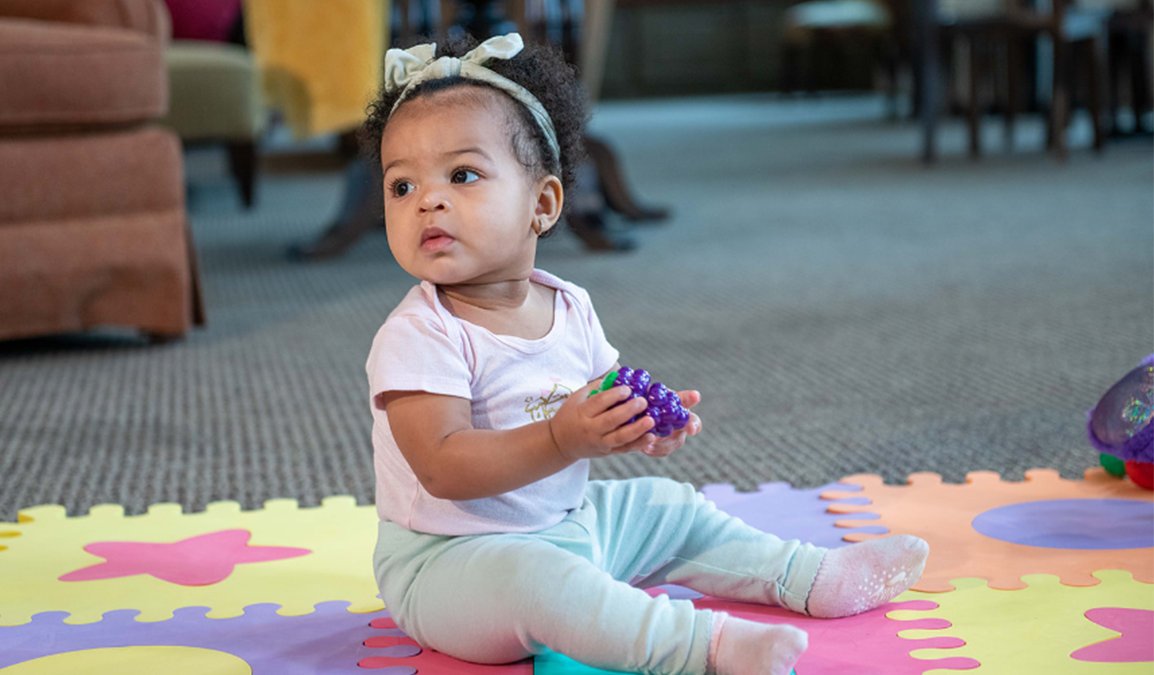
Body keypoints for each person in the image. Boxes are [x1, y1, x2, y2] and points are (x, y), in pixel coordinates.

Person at [362, 33, 929, 675]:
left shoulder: (569, 304)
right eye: (400, 185)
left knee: (669, 506)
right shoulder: (419, 333)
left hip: (568, 526)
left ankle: (810, 576)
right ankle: (703, 647)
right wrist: (560, 439)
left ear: (542, 205)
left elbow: (601, 393)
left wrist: (638, 420)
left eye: (462, 175)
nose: (427, 200)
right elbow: (442, 468)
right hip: (449, 565)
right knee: (541, 583)